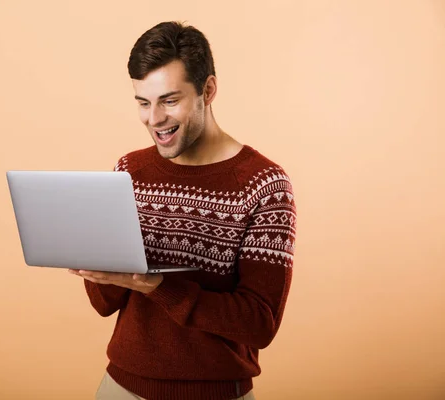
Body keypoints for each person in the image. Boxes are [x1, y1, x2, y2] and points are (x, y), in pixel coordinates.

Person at [68, 21, 297, 400]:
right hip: (122, 386)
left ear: (208, 90)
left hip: (217, 392)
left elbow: (260, 324)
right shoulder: (129, 170)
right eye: (144, 102)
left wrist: (158, 286)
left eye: (170, 100)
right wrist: (95, 263)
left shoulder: (265, 185)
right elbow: (104, 305)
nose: (154, 119)